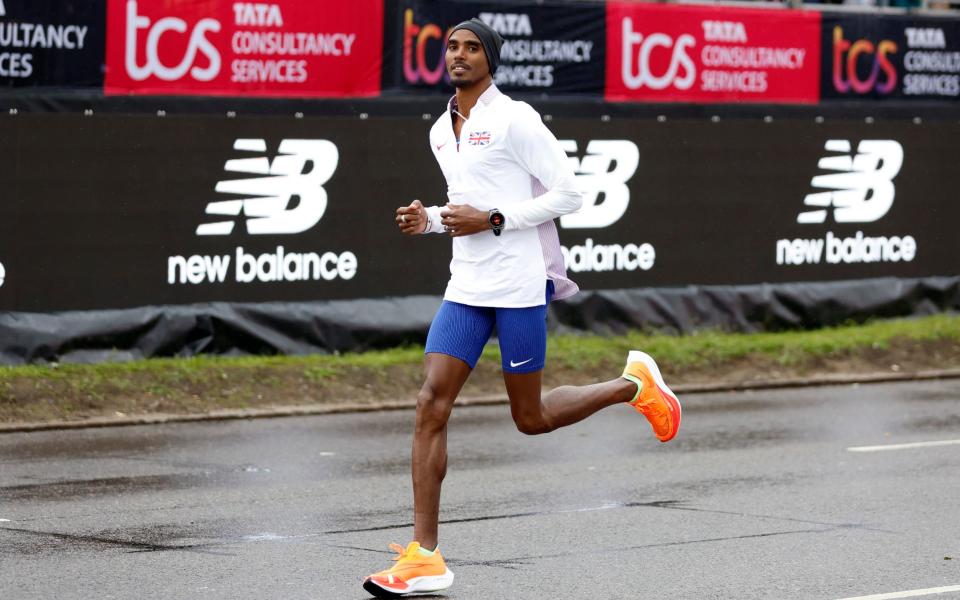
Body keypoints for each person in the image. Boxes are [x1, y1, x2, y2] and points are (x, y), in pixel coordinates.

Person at [362, 18, 681, 598]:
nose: (459, 55)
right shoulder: (440, 130)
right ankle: (425, 556)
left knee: (529, 419)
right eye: (452, 47)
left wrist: (495, 219)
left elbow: (569, 192)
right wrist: (428, 219)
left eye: (472, 47)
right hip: (467, 285)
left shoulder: (516, 118)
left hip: (518, 283)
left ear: (492, 59)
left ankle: (632, 384)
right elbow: (464, 208)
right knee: (430, 403)